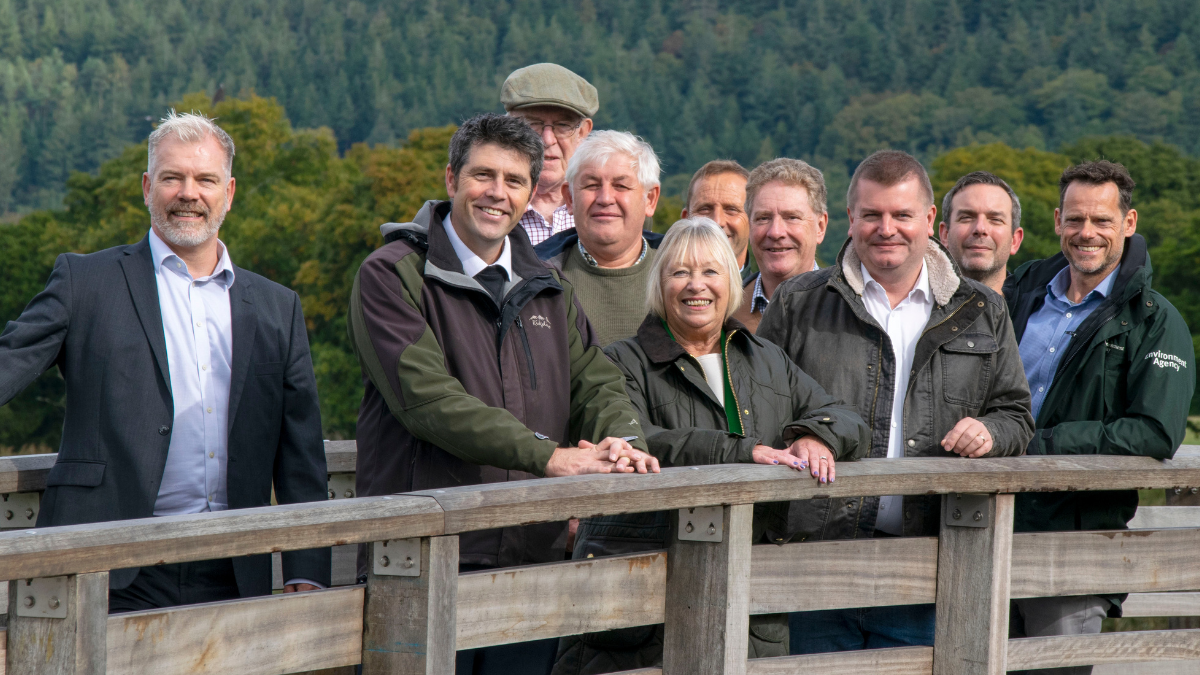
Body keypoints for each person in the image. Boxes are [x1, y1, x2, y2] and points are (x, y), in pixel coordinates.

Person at [346, 113, 660, 675]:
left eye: (515, 181)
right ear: (450, 179)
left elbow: (598, 380)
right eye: (482, 176)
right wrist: (551, 456)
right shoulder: (393, 275)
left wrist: (622, 441)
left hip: (530, 561)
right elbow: (429, 402)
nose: (497, 194)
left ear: (531, 192)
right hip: (425, 559)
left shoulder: (547, 285)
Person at [0, 111, 331, 610]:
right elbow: (8, 363)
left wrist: (307, 571)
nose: (188, 193)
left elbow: (301, 452)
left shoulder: (275, 307)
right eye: (172, 177)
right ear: (147, 186)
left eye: (205, 179)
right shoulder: (84, 282)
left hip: (234, 564)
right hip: (105, 562)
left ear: (230, 192)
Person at [552, 217, 869, 674]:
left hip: (747, 593)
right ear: (659, 285)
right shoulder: (620, 361)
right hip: (640, 594)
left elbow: (845, 416)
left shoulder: (765, 359)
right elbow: (639, 441)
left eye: (711, 272)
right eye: (679, 272)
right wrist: (744, 451)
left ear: (731, 283)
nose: (695, 285)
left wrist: (816, 434)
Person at [758, 149, 1034, 655]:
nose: (887, 229)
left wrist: (991, 432)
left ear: (929, 220)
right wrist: (797, 434)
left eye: (902, 215)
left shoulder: (982, 309)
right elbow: (757, 410)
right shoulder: (797, 302)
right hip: (818, 557)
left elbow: (1016, 414)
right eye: (872, 215)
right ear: (851, 219)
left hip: (931, 557)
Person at [1003, 161, 1194, 675]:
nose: (1086, 233)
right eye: (1075, 219)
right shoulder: (1020, 296)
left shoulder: (1155, 320)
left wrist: (1035, 443)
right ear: (1058, 221)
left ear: (1128, 224)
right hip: (988, 527)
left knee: (1054, 671)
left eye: (1102, 221)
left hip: (1076, 544)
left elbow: (1154, 432)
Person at [535, 130, 664, 346]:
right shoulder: (535, 277)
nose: (605, 198)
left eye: (621, 186)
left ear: (650, 199)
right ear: (570, 198)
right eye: (591, 185)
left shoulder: (680, 274)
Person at [503, 63, 597, 245]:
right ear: (509, 128)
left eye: (563, 125)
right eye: (532, 123)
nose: (547, 139)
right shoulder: (486, 210)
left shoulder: (604, 212)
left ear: (583, 132)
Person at [733, 158, 828, 333]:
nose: (776, 232)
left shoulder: (851, 311)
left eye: (792, 217)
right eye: (763, 218)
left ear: (820, 227)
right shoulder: (724, 314)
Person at [939, 171, 1025, 294]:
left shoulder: (1040, 310)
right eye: (966, 218)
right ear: (945, 235)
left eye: (995, 220)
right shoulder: (915, 309)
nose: (980, 229)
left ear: (1015, 240)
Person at [680, 160, 752, 273]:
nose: (717, 221)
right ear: (685, 220)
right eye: (705, 209)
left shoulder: (769, 290)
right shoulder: (656, 288)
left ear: (752, 222)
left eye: (731, 210)